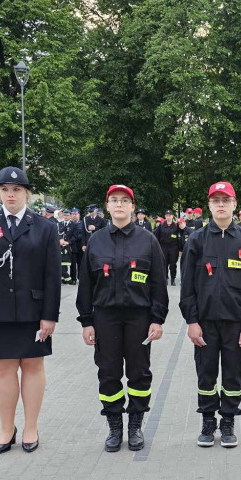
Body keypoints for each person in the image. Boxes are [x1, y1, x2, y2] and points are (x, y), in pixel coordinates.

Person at [0, 166, 61, 454]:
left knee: (33, 367)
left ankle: (31, 427)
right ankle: (7, 428)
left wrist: (50, 315)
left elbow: (52, 276)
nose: (11, 195)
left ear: (27, 193)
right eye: (5, 190)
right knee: (4, 369)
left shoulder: (45, 227)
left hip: (34, 311)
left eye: (17, 190)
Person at [77, 184, 169, 452]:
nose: (119, 205)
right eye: (114, 200)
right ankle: (115, 427)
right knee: (108, 372)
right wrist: (86, 321)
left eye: (124, 201)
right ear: (107, 206)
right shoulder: (96, 241)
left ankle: (135, 425)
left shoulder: (147, 240)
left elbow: (158, 284)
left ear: (132, 206)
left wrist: (157, 319)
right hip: (105, 317)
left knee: (139, 373)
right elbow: (86, 285)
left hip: (139, 317)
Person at [179, 181, 241, 447]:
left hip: (236, 323)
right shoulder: (197, 240)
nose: (220, 205)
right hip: (204, 323)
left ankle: (227, 421)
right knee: (205, 375)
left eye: (225, 200)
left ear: (234, 204)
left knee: (232, 375)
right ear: (209, 205)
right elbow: (187, 285)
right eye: (215, 200)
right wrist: (191, 321)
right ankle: (207, 421)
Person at [153, 210, 182, 286]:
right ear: (165, 216)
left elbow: (180, 237)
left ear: (172, 216)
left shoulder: (176, 226)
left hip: (173, 248)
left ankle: (173, 279)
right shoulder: (161, 225)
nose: (168, 217)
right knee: (164, 264)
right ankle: (165, 278)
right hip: (163, 247)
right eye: (167, 215)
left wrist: (180, 249)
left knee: (173, 264)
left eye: (170, 215)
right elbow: (155, 235)